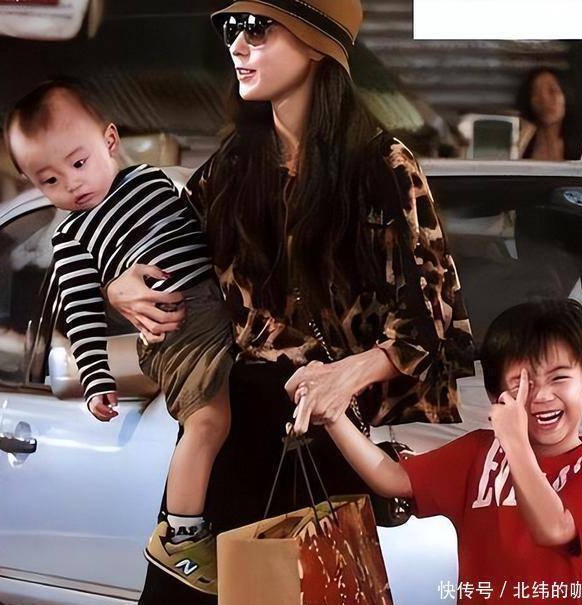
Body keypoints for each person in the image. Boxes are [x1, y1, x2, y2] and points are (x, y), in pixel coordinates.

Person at [105, 1, 475, 602]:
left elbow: (431, 315)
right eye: (232, 29)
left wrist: (348, 375)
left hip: (324, 426)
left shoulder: (380, 165)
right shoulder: (232, 165)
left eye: (257, 28)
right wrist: (120, 286)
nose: (237, 46)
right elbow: (165, 255)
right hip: (230, 427)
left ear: (316, 44)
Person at [4, 81, 235, 594]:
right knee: (208, 420)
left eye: (78, 163)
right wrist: (96, 380)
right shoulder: (70, 238)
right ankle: (181, 535)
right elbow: (82, 316)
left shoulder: (153, 180)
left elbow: (208, 231)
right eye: (49, 179)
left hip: (223, 308)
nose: (72, 184)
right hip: (178, 333)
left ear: (109, 141)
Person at [323, 299, 582, 604]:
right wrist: (333, 417)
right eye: (522, 384)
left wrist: (515, 443)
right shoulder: (479, 450)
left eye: (559, 378)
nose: (542, 396)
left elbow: (554, 529)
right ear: (495, 396)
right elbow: (393, 479)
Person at [517, 68, 582, 160]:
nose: (545, 100)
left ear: (566, 96)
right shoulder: (523, 142)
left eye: (552, 91)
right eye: (536, 93)